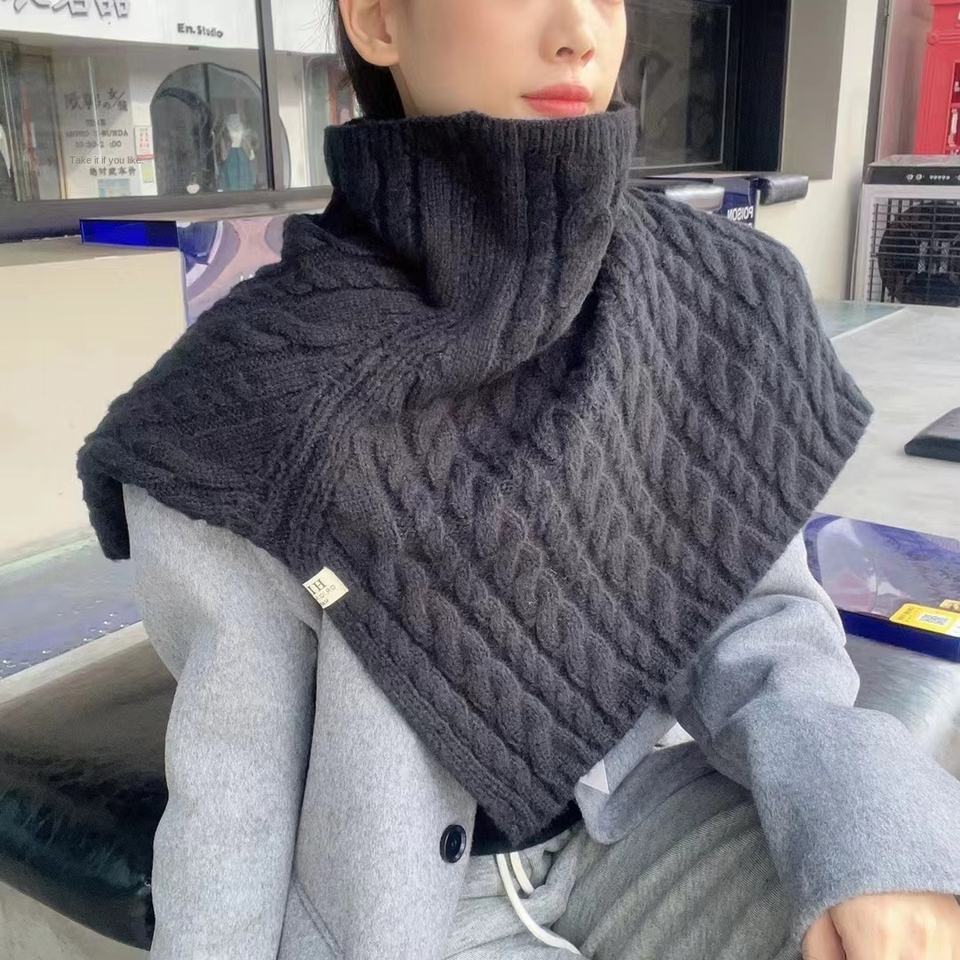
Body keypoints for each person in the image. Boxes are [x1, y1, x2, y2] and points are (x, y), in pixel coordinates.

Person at [76, 1, 960, 958]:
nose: (580, 30)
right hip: (407, 911)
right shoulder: (245, 404)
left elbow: (760, 629)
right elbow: (236, 793)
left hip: (641, 825)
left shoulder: (702, 293)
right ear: (377, 21)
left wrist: (869, 832)